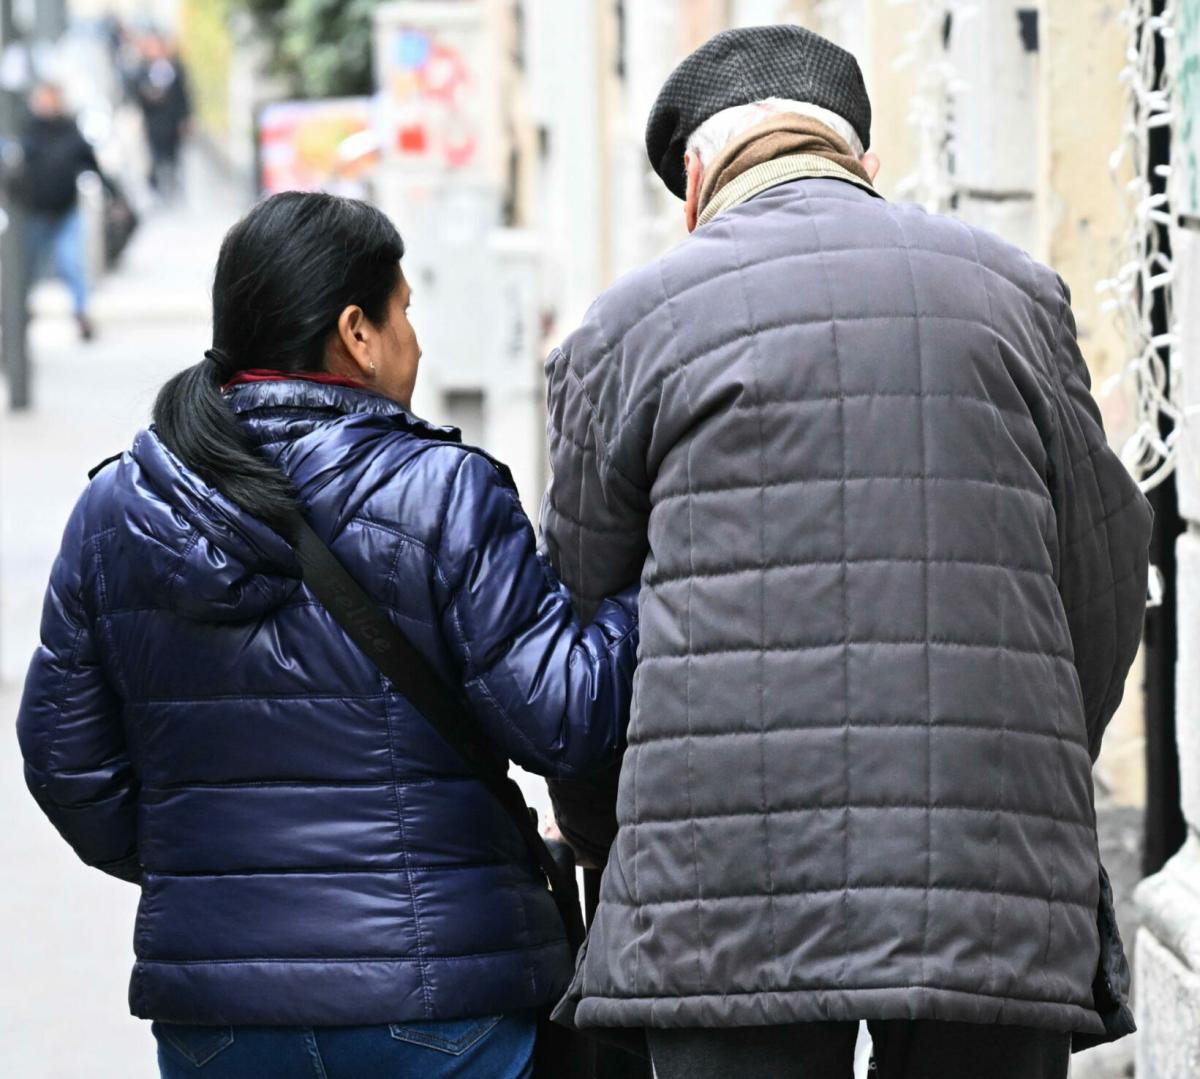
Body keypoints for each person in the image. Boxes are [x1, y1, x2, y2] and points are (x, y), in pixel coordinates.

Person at [541, 25, 1153, 1079]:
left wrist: (615, 845)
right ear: (864, 164)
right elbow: (1102, 579)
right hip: (989, 863)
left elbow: (582, 646)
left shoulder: (625, 327)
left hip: (722, 878)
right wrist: (1034, 760)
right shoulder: (1017, 294)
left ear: (693, 183)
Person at [16, 191, 638, 1078]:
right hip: (433, 1006)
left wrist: (213, 873)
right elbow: (562, 718)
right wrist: (648, 597)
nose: (415, 342)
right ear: (356, 330)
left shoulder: (118, 506)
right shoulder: (441, 491)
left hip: (218, 1019)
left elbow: (66, 764)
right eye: (405, 312)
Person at [16, 82, 104, 341]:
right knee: (25, 268)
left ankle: (81, 313)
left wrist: (113, 195)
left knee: (71, 264)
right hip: (34, 212)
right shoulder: (27, 131)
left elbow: (91, 162)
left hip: (65, 211)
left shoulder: (70, 130)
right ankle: (18, 314)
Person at [132, 33, 191, 199]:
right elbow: (137, 93)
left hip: (172, 121)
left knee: (174, 157)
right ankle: (159, 188)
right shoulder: (143, 69)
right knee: (156, 158)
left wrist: (185, 117)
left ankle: (174, 188)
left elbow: (183, 94)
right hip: (154, 122)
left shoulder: (174, 68)